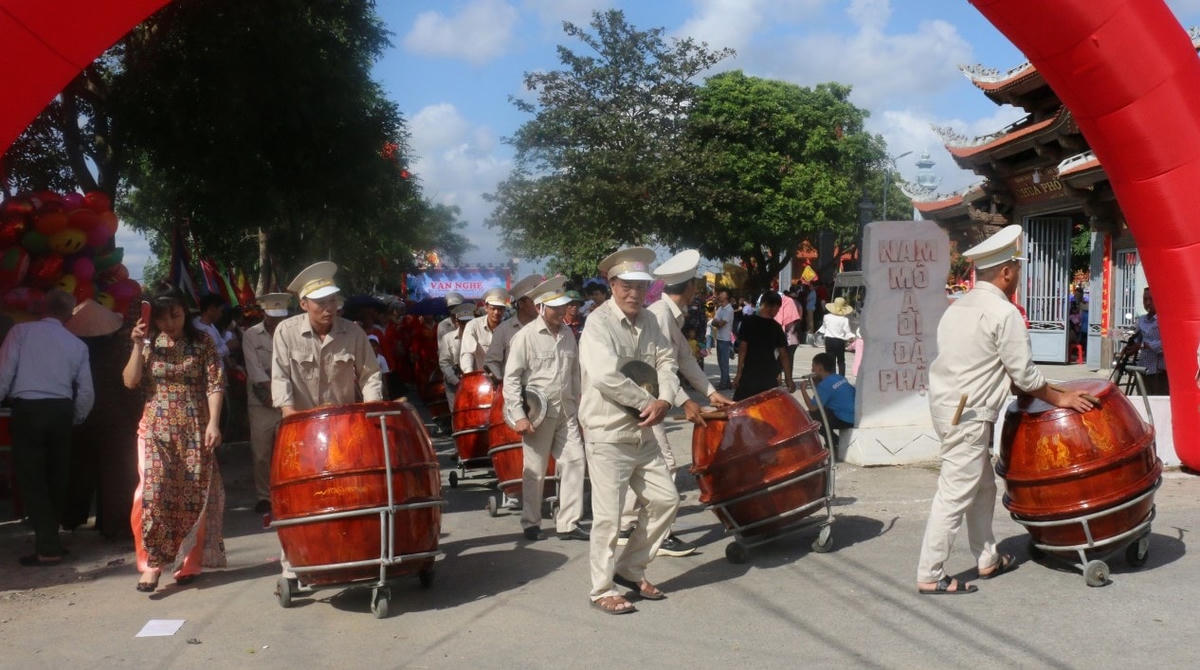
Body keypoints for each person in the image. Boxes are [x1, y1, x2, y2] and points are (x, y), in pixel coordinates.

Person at [917, 225, 1094, 595]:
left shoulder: (958, 307)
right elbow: (1025, 375)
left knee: (982, 488)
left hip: (949, 409)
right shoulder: (1003, 312)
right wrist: (1061, 397)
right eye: (1017, 269)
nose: (1018, 276)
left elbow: (989, 365)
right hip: (968, 414)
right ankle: (931, 572)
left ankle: (987, 558)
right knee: (955, 492)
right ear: (1006, 272)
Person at [579, 247, 683, 615]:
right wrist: (647, 403)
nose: (634, 293)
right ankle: (601, 589)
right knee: (608, 517)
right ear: (611, 284)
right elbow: (606, 376)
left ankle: (630, 568)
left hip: (644, 433)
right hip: (608, 433)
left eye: (640, 285)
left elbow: (667, 362)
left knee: (666, 500)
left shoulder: (651, 322)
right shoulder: (598, 323)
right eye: (626, 285)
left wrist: (666, 400)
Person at [271, 261, 383, 583]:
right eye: (321, 303)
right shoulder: (286, 333)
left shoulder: (354, 332)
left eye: (333, 300)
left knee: (350, 494)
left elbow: (371, 375)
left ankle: (354, 552)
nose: (329, 308)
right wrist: (290, 418)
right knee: (298, 499)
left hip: (346, 432)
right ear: (304, 304)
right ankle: (292, 562)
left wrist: (372, 411)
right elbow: (280, 378)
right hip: (302, 430)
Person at [617, 249, 733, 557]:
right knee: (665, 464)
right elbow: (661, 367)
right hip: (649, 398)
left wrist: (710, 393)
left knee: (640, 462)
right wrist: (685, 403)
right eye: (697, 286)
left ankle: (626, 526)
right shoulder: (660, 315)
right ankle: (661, 535)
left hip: (653, 399)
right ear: (691, 288)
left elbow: (683, 358)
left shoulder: (668, 314)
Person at [122, 283, 225, 592]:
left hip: (194, 428)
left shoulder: (203, 342)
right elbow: (130, 381)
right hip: (155, 428)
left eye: (176, 316)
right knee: (151, 493)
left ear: (185, 312)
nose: (170, 323)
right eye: (163, 319)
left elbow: (214, 384)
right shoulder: (150, 344)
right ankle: (152, 564)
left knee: (194, 495)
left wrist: (214, 424)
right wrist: (137, 346)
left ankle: (188, 563)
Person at [0, 290, 94, 566]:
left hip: (28, 410)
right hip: (61, 411)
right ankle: (51, 541)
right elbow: (87, 391)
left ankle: (48, 546)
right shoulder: (77, 345)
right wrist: (75, 417)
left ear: (43, 307)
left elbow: (4, 373)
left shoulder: (20, 332)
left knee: (32, 479)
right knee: (57, 477)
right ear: (69, 314)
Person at [502, 276, 589, 541]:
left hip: (566, 412)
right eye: (557, 307)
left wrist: (579, 406)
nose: (562, 311)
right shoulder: (525, 337)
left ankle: (568, 523)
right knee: (536, 470)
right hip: (538, 415)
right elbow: (512, 379)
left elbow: (575, 374)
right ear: (542, 307)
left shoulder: (567, 335)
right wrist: (518, 415)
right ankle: (531, 522)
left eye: (564, 306)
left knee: (575, 462)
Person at [242, 293, 290, 514]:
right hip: (262, 403)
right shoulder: (251, 335)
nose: (277, 321)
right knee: (261, 452)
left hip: (288, 400)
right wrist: (272, 394)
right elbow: (255, 371)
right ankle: (264, 496)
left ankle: (287, 491)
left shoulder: (291, 333)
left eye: (281, 316)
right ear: (264, 314)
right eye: (273, 316)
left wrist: (283, 395)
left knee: (288, 451)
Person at [733, 292, 795, 401]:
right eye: (778, 308)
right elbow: (784, 355)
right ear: (771, 306)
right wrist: (788, 379)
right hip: (768, 375)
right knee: (768, 407)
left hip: (750, 373)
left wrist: (739, 373)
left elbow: (743, 349)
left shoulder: (748, 322)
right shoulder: (776, 327)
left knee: (742, 407)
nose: (777, 312)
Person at [484, 274, 543, 379]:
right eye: (534, 301)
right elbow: (492, 361)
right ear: (521, 303)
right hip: (512, 390)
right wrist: (501, 382)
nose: (539, 304)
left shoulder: (545, 327)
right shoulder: (504, 330)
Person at [799, 352, 855, 441]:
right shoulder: (839, 377)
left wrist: (803, 390)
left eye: (813, 366)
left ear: (820, 368)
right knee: (821, 411)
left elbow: (813, 407)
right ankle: (834, 441)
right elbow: (822, 396)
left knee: (810, 416)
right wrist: (816, 383)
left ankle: (833, 442)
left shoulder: (825, 385)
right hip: (855, 415)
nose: (812, 369)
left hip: (846, 419)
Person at [459, 287, 510, 373]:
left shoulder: (508, 328)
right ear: (486, 308)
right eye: (493, 308)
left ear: (504, 310)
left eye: (500, 309)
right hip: (479, 378)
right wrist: (469, 373)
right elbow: (467, 352)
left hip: (502, 379)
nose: (496, 312)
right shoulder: (473, 325)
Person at [438, 303, 477, 407]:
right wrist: (457, 382)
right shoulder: (448, 338)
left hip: (475, 382)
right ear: (457, 322)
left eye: (469, 322)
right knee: (457, 413)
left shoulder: (478, 336)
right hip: (454, 384)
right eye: (463, 322)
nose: (466, 325)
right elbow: (444, 363)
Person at [1136, 287, 1168, 395]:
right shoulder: (1141, 320)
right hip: (1143, 369)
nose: (1148, 303)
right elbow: (1137, 340)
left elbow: (1166, 345)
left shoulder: (1165, 320)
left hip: (1160, 372)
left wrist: (1146, 345)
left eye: (1151, 299)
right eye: (1145, 299)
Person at [821, 297, 855, 376]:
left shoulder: (826, 317)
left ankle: (832, 377)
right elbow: (847, 332)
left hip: (829, 340)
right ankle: (841, 377)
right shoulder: (844, 319)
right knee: (841, 361)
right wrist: (852, 337)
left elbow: (824, 328)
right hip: (839, 341)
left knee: (830, 360)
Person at [712, 289, 734, 389]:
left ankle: (724, 384)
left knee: (724, 363)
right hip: (720, 338)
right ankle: (726, 382)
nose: (720, 295)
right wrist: (717, 322)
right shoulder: (720, 308)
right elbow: (714, 322)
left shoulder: (729, 310)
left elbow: (720, 324)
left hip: (725, 339)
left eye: (722, 293)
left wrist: (717, 322)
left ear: (727, 296)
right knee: (721, 362)